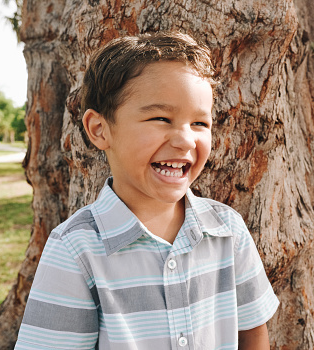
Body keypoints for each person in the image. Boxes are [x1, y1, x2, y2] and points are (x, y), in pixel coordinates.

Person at [15, 31, 279, 350]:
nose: (185, 140)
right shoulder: (75, 250)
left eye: (200, 123)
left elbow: (252, 333)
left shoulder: (228, 231)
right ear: (99, 130)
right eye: (161, 118)